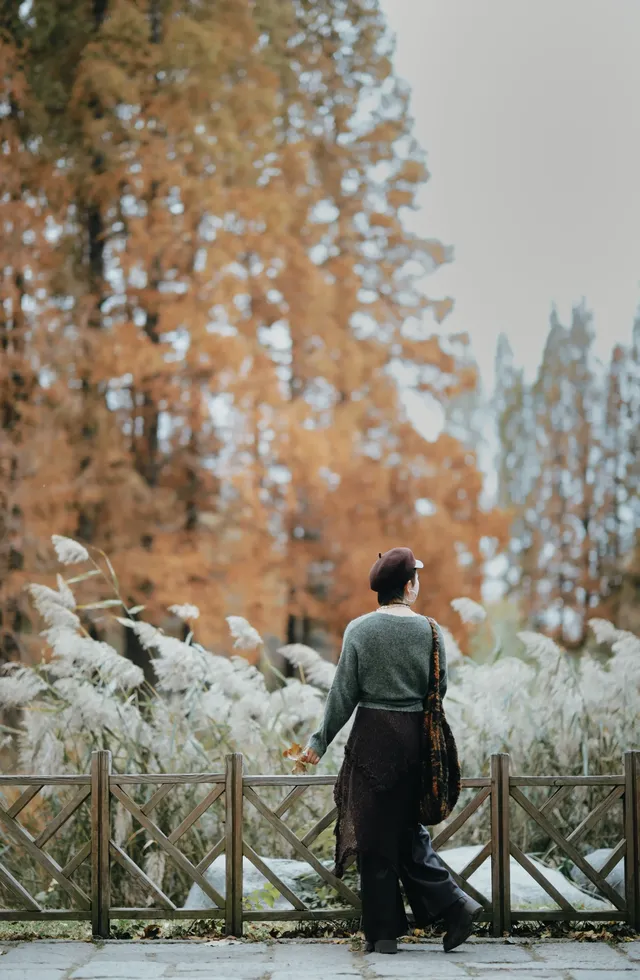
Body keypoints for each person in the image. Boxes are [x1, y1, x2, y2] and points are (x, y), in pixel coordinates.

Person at [300, 547, 481, 954]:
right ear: (407, 586)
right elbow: (441, 689)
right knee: (405, 828)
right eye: (416, 578)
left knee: (373, 833)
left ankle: (384, 934)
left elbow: (342, 693)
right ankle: (454, 908)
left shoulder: (359, 631)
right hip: (417, 739)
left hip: (372, 741)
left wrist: (318, 741)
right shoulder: (431, 631)